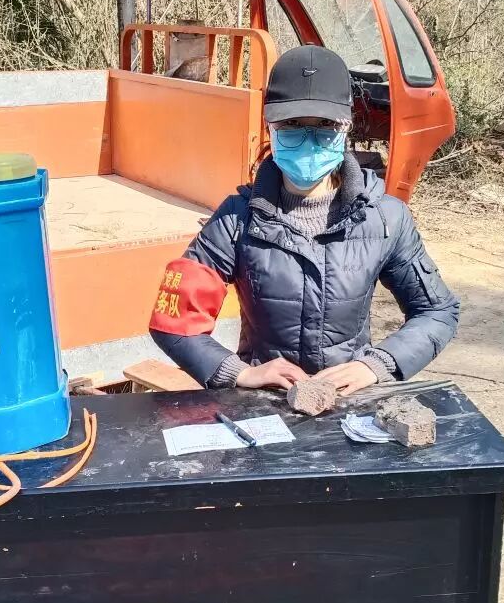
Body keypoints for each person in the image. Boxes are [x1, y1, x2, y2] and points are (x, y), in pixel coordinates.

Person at [149, 45, 459, 395]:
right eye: (293, 124)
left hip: (351, 402)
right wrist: (237, 372)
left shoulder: (384, 218)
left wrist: (377, 365)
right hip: (262, 403)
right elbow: (174, 320)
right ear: (270, 127)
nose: (309, 140)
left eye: (325, 125)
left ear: (346, 127)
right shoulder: (237, 219)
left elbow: (437, 311)